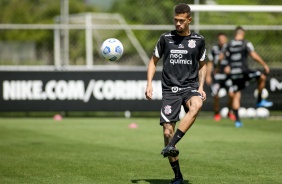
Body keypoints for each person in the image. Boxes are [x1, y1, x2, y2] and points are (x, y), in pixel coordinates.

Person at [145, 3, 206, 184]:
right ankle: (177, 176)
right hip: (170, 90)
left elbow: (203, 65)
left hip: (189, 88)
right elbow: (153, 61)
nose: (178, 24)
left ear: (189, 20)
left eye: (181, 21)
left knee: (197, 104)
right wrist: (149, 84)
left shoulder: (199, 40)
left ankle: (171, 146)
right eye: (175, 20)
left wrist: (201, 87)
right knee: (167, 131)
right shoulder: (165, 38)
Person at [219, 26, 273, 128]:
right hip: (244, 72)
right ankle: (259, 101)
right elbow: (253, 55)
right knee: (262, 77)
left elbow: (221, 57)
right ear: (242, 33)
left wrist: (219, 68)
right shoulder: (245, 43)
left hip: (234, 75)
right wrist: (264, 64)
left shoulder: (229, 44)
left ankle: (237, 121)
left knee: (236, 94)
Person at [206, 33, 235, 121]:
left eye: (223, 39)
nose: (221, 40)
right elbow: (210, 63)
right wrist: (208, 75)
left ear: (226, 39)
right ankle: (216, 112)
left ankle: (229, 112)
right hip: (217, 77)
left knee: (231, 94)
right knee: (216, 95)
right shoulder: (214, 50)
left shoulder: (230, 49)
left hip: (227, 77)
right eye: (220, 39)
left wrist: (230, 67)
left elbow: (235, 61)